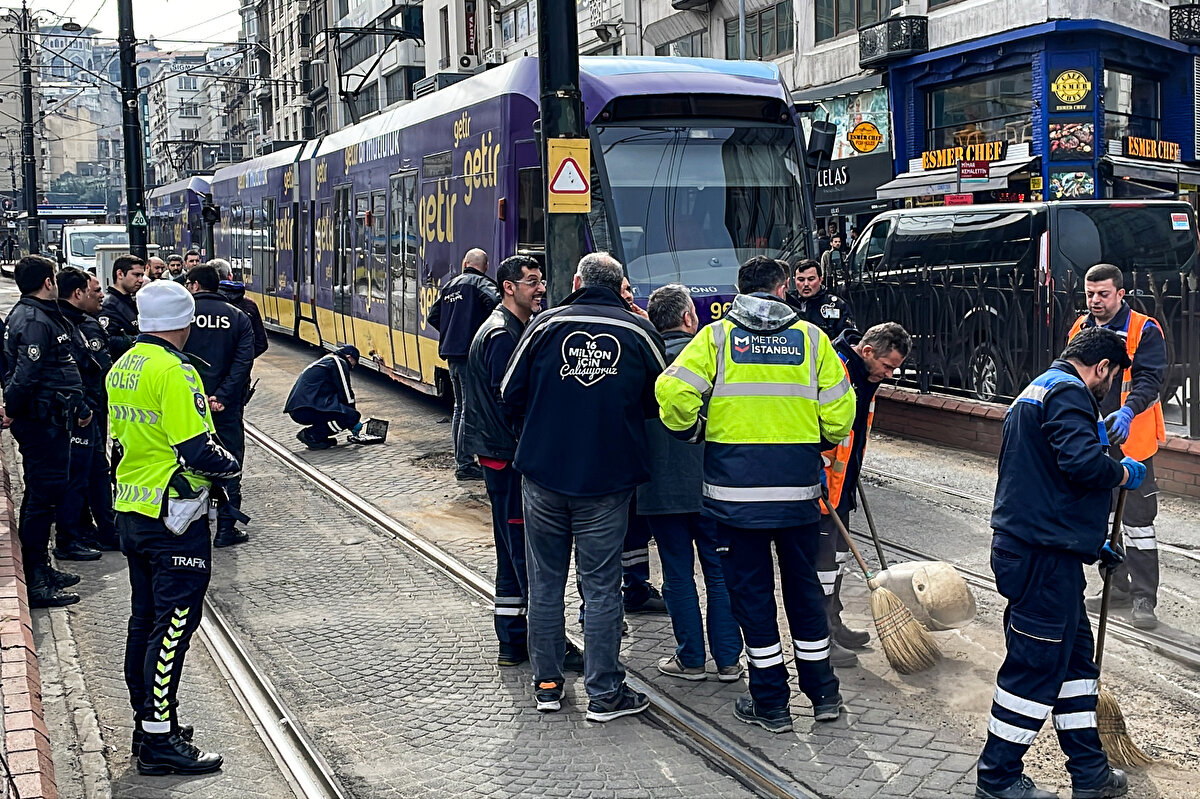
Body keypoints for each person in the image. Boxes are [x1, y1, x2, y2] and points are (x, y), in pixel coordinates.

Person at [656, 256, 856, 733]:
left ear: (739, 289)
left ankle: (771, 703)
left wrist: (693, 430)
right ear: (783, 288)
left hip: (735, 500)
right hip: (798, 496)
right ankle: (824, 693)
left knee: (753, 598)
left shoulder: (716, 338)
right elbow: (840, 413)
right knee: (804, 594)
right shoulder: (812, 340)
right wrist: (816, 438)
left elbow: (673, 395)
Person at [976, 326, 1142, 799]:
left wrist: (1090, 544)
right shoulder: (1070, 392)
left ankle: (1090, 777)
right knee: (1032, 672)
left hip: (1050, 554)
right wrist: (1121, 472)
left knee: (1074, 671)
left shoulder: (1038, 389)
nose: (1107, 393)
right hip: (1041, 560)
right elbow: (1082, 466)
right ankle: (997, 779)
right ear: (1102, 367)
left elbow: (1045, 483)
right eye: (1110, 381)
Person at [501, 252, 666, 721]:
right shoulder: (638, 332)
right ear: (620, 286)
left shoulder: (545, 325)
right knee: (600, 587)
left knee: (546, 583)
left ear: (576, 280)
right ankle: (604, 693)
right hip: (607, 481)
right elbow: (662, 398)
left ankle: (548, 685)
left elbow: (508, 392)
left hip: (544, 474)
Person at [108, 279, 240, 776]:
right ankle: (161, 740)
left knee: (144, 620)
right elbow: (198, 448)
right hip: (176, 516)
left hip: (134, 510)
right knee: (174, 629)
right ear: (182, 323)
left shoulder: (125, 365)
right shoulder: (174, 371)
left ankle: (148, 726)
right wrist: (231, 466)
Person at [638, 283, 742, 682]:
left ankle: (691, 659)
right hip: (713, 485)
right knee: (718, 571)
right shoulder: (712, 359)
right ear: (688, 318)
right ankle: (730, 659)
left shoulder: (645, 361)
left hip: (660, 487)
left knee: (677, 574)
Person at [461, 255, 549, 666]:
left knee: (510, 549)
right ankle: (535, 640)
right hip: (507, 456)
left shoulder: (507, 328)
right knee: (522, 551)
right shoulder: (502, 335)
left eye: (541, 280)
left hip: (499, 453)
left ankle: (513, 639)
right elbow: (510, 399)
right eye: (531, 281)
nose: (540, 288)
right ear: (508, 287)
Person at [1071, 264, 1166, 631]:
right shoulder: (1081, 329)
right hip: (1096, 439)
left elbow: (1150, 378)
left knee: (1138, 522)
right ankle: (1118, 588)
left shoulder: (1144, 329)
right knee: (1104, 518)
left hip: (1133, 442)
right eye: (1090, 294)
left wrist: (1128, 410)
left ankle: (1145, 598)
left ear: (1120, 293)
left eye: (1103, 294)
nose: (1095, 301)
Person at [817, 323, 911, 668]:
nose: (889, 374)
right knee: (822, 566)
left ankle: (835, 622)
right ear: (868, 352)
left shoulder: (866, 377)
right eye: (887, 366)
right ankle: (820, 636)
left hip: (844, 484)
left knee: (838, 560)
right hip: (822, 487)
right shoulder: (835, 371)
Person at [2, 256, 90, 607]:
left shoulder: (36, 314)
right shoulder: (36, 319)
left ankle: (40, 566)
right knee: (42, 497)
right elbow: (27, 373)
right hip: (43, 421)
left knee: (47, 494)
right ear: (48, 282)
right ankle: (36, 579)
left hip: (52, 417)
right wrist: (11, 408)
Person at [182, 265, 254, 548]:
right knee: (230, 462)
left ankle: (190, 526)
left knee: (187, 460)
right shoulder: (239, 317)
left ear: (195, 285)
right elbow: (243, 363)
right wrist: (222, 396)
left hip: (188, 403)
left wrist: (196, 396)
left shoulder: (182, 316)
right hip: (226, 406)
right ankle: (226, 528)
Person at [54, 267, 116, 561]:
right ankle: (70, 538)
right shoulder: (68, 324)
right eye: (95, 290)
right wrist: (84, 406)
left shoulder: (78, 321)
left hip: (88, 410)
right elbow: (77, 372)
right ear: (78, 293)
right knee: (79, 476)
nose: (100, 295)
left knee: (95, 472)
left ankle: (96, 529)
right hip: (80, 413)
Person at [428, 248, 499, 481]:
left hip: (452, 354)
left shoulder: (449, 285)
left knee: (460, 408)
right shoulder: (482, 285)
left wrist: (452, 333)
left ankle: (463, 461)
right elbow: (499, 305)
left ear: (464, 263)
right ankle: (465, 465)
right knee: (468, 408)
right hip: (471, 355)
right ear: (485, 266)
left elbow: (433, 316)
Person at [285, 345, 364, 448]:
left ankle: (319, 437)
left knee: (343, 414)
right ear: (349, 357)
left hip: (301, 407)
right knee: (351, 416)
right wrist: (353, 419)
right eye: (354, 363)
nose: (352, 367)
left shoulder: (326, 360)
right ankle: (312, 435)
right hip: (307, 407)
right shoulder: (339, 362)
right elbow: (345, 391)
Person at [786, 259, 856, 340]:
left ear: (820, 279)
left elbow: (850, 336)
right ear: (794, 280)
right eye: (801, 280)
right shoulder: (786, 302)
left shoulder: (836, 305)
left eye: (811, 279)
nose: (806, 284)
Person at [212, 259, 268, 358]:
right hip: (240, 370)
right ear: (230, 276)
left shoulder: (198, 304)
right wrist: (242, 360)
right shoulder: (249, 305)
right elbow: (261, 343)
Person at [99, 254, 146, 359]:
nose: (141, 280)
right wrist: (140, 339)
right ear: (120, 274)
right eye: (136, 275)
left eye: (142, 275)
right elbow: (109, 340)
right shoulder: (108, 305)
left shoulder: (132, 301)